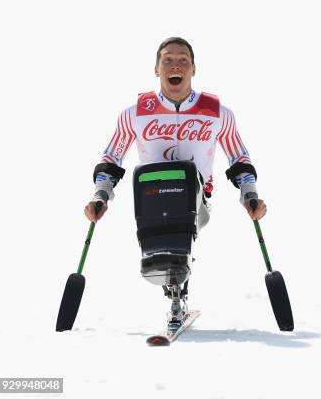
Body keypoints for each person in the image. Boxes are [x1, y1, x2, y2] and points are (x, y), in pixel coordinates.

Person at [83, 37, 266, 324]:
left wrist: (250, 194)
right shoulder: (135, 113)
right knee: (159, 247)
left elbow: (239, 157)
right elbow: (112, 157)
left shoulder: (217, 112)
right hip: (151, 196)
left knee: (179, 226)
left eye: (183, 60)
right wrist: (100, 195)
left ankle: (177, 278)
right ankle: (174, 279)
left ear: (193, 68)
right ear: (156, 69)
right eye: (167, 59)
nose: (175, 65)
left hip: (196, 199)